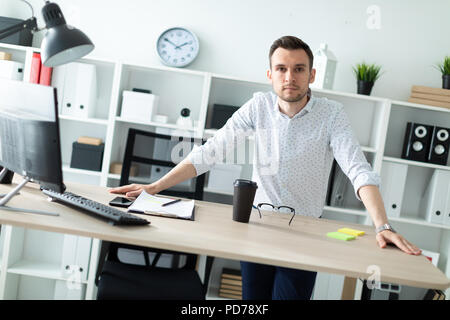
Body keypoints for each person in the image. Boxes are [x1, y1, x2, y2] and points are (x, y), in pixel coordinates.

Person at [109, 35, 422, 300]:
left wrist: (382, 225)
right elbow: (210, 152)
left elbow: (358, 169)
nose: (290, 77)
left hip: (305, 232)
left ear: (312, 75)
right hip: (257, 226)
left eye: (299, 69)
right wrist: (152, 188)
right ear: (270, 74)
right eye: (282, 69)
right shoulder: (258, 105)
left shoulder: (331, 114)